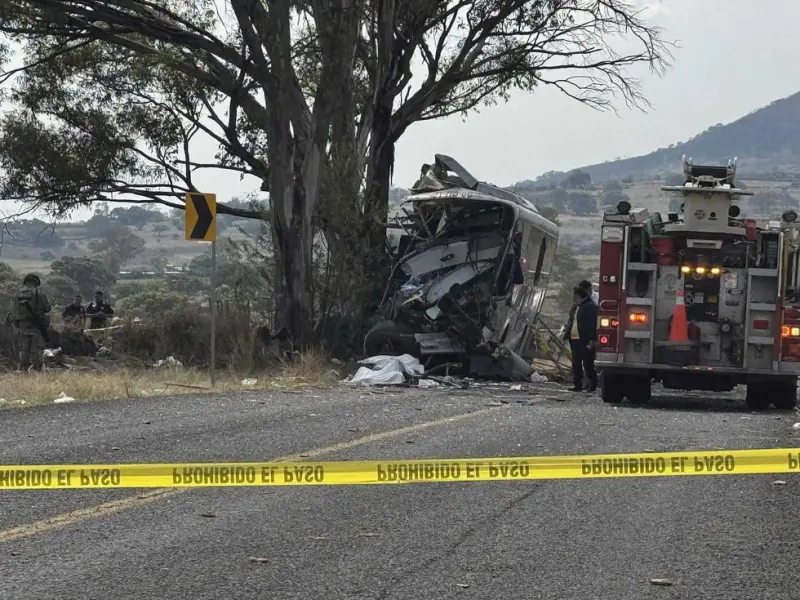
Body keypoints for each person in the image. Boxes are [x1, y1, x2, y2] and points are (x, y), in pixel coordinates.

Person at [13, 273, 51, 371]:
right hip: (36, 325)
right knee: (37, 348)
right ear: (36, 283)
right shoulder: (39, 294)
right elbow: (47, 308)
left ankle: (23, 370)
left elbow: (14, 310)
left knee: (24, 348)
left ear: (25, 282)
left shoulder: (17, 294)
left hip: (22, 325)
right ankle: (37, 370)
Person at [567, 286, 598, 392]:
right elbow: (571, 321)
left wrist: (592, 340)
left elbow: (593, 325)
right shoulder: (576, 307)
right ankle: (577, 385)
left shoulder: (591, 306)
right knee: (576, 364)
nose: (573, 297)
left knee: (588, 363)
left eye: (574, 295)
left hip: (585, 340)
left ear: (578, 295)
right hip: (574, 339)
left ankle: (592, 384)